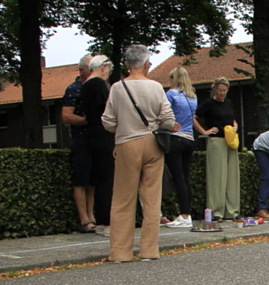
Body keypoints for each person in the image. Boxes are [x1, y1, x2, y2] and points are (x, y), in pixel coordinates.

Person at [101, 45, 180, 262]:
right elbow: (169, 120)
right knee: (151, 198)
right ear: (146, 64)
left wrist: (123, 125)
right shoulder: (155, 87)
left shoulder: (118, 88)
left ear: (126, 64)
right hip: (153, 143)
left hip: (127, 143)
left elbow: (107, 121)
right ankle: (149, 250)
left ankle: (120, 252)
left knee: (123, 199)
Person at [195, 77, 240, 221]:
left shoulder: (229, 103)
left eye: (224, 90)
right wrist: (204, 131)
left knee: (232, 176)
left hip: (230, 140)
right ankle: (216, 211)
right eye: (220, 90)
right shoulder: (208, 103)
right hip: (216, 141)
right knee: (217, 177)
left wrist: (235, 126)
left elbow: (232, 118)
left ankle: (232, 211)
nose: (222, 93)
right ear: (215, 89)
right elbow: (194, 117)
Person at [61, 55, 96, 232]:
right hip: (81, 139)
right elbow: (66, 115)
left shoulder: (97, 88)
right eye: (91, 67)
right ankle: (84, 219)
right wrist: (86, 121)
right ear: (82, 70)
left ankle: (92, 216)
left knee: (92, 180)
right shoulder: (74, 89)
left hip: (95, 139)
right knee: (81, 179)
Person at [81, 55, 114, 236]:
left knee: (100, 177)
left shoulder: (86, 85)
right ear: (103, 67)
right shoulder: (99, 84)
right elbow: (109, 107)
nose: (108, 73)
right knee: (107, 176)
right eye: (108, 69)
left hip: (92, 132)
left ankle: (102, 219)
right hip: (103, 132)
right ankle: (106, 221)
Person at [163, 67, 198, 228]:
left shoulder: (171, 95)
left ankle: (183, 215)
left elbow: (163, 114)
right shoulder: (193, 97)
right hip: (189, 139)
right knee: (185, 177)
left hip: (175, 138)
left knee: (177, 177)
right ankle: (187, 213)